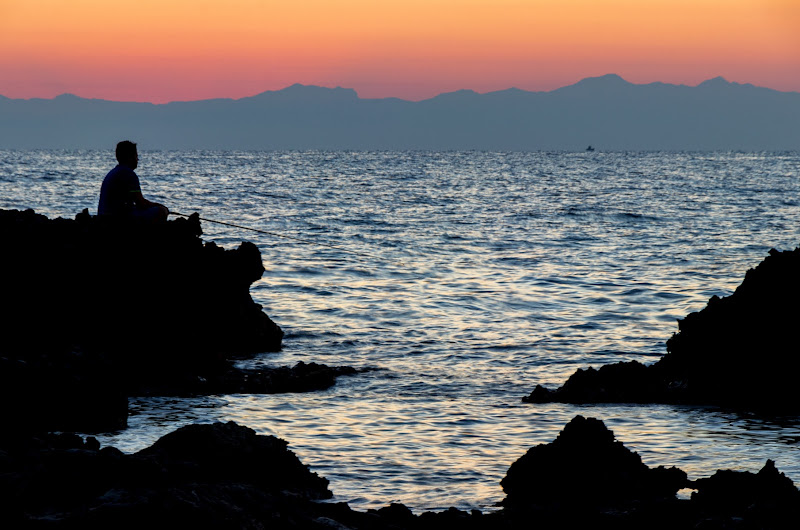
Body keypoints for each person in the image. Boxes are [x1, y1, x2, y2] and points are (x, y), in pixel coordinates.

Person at [98, 140, 169, 222]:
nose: (137, 159)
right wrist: (161, 207)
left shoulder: (114, 172)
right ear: (130, 157)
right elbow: (141, 203)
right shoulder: (129, 174)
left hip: (104, 216)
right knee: (161, 212)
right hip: (116, 218)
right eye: (136, 156)